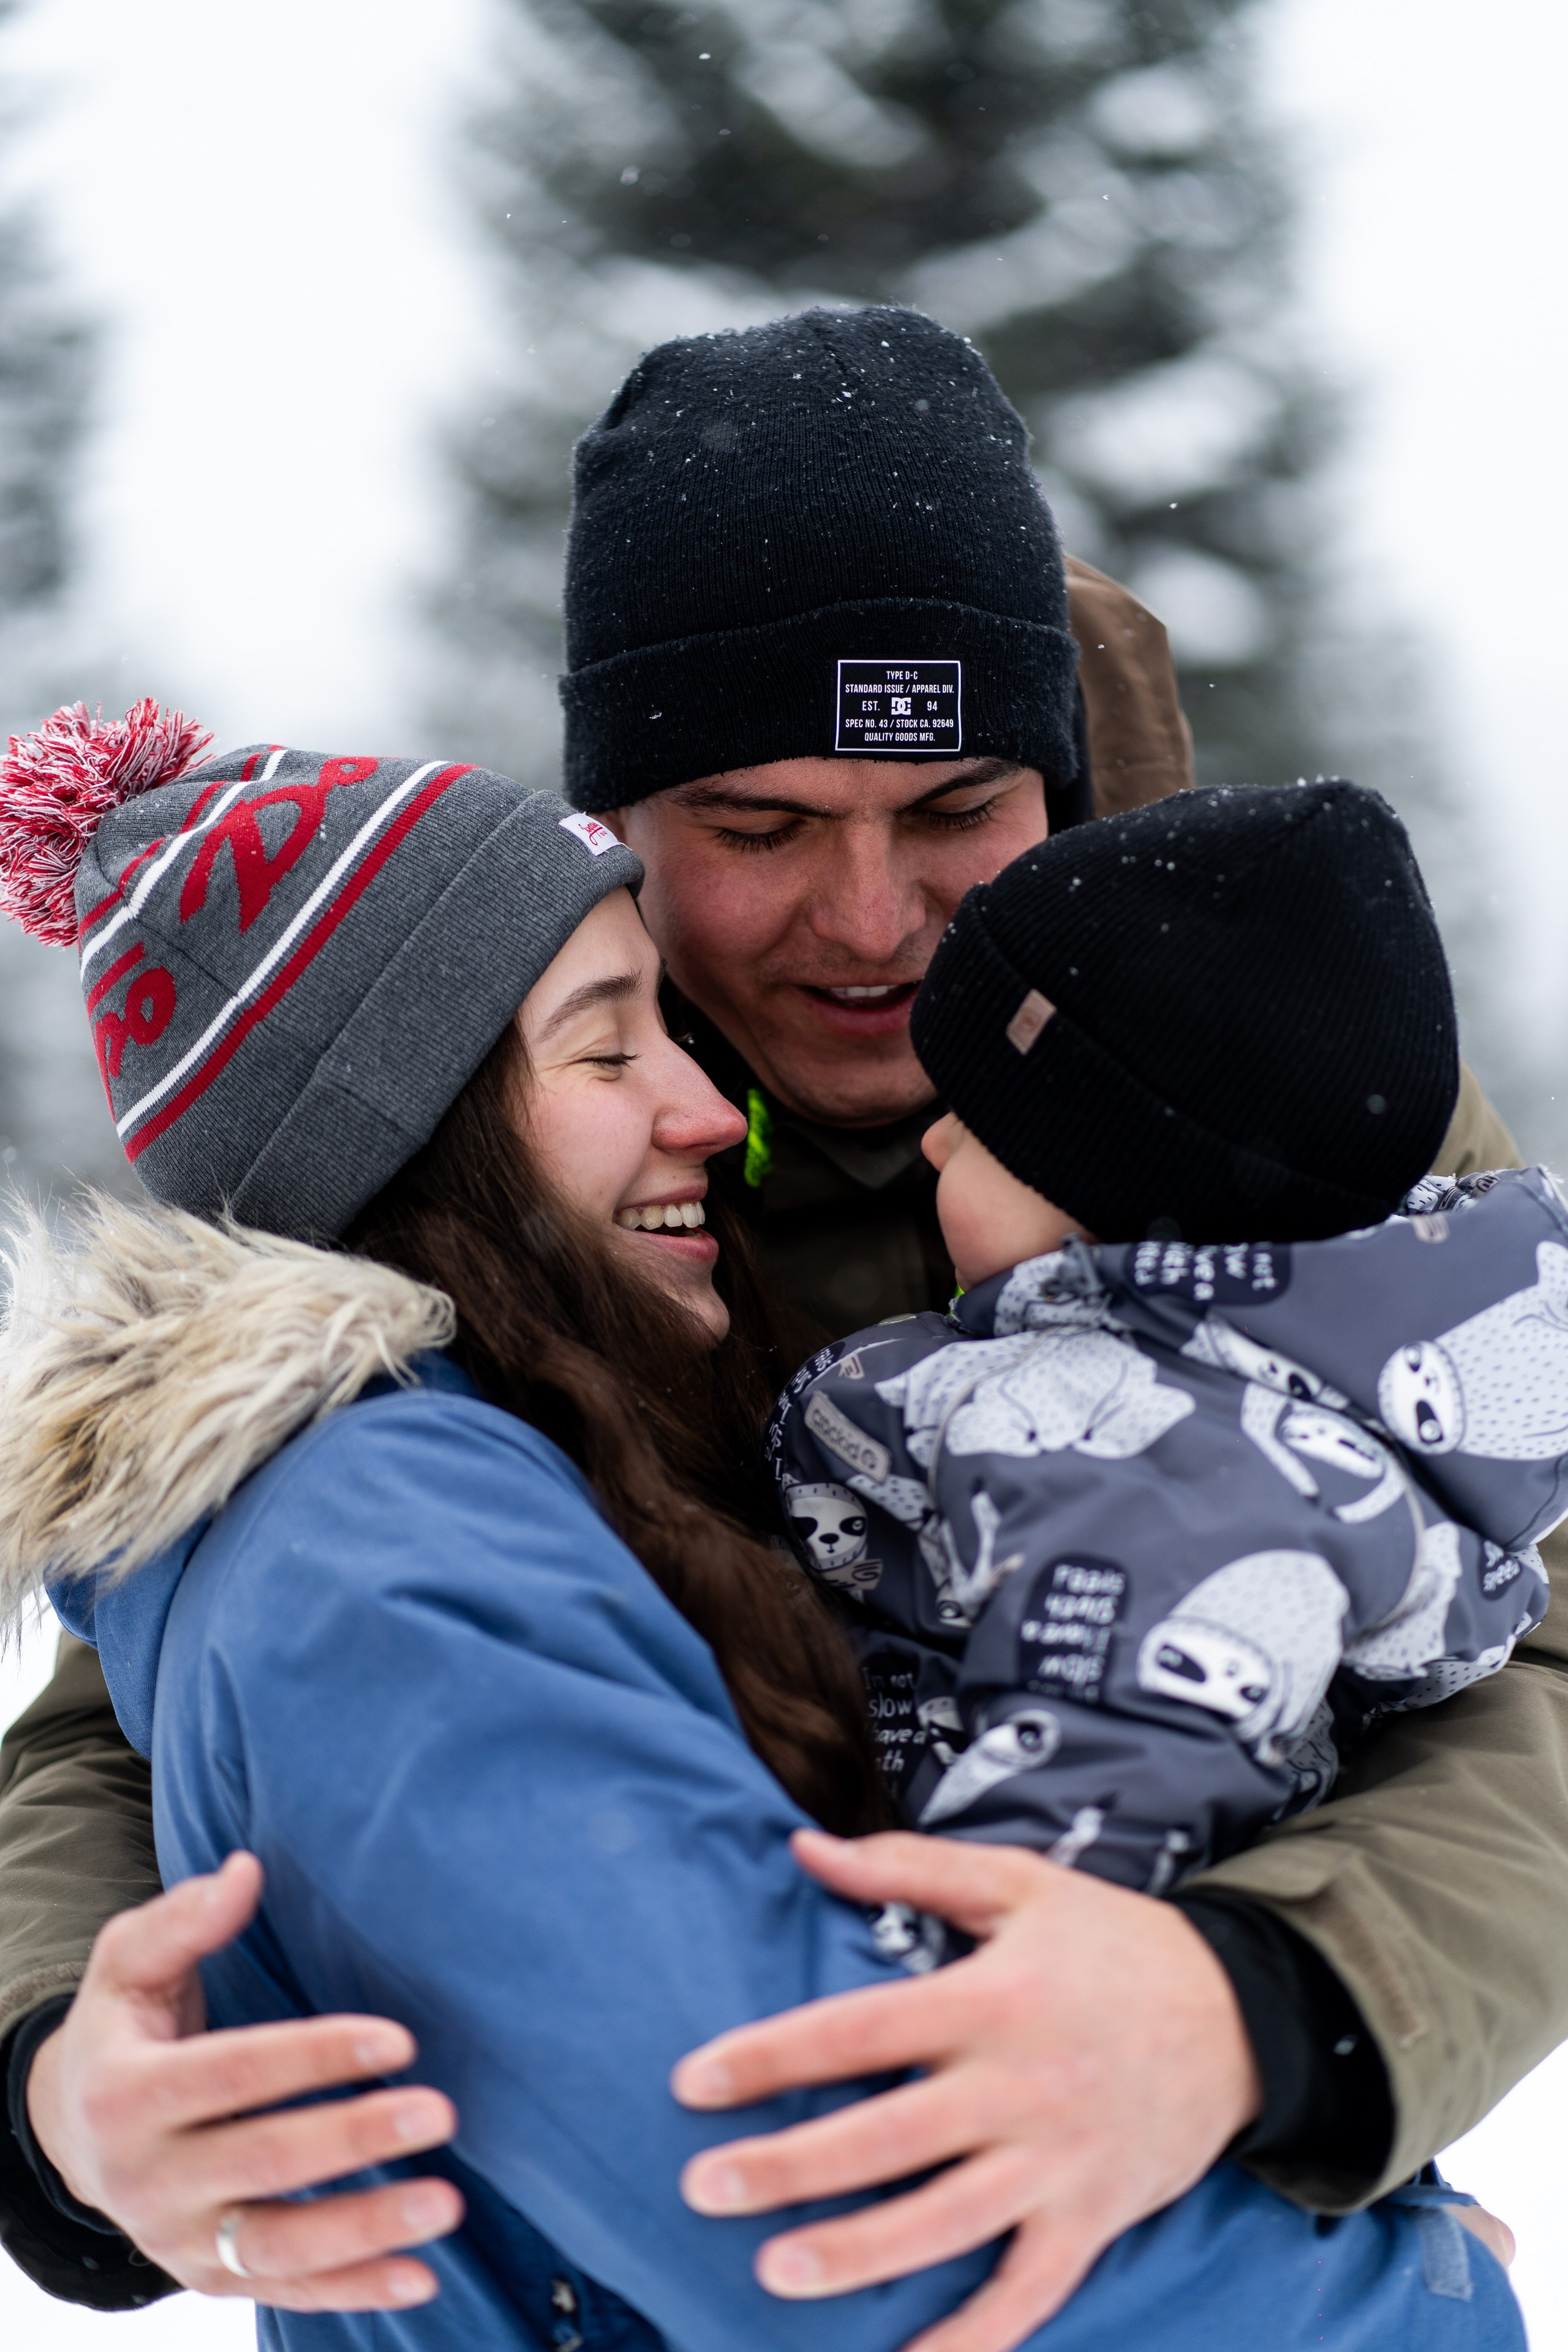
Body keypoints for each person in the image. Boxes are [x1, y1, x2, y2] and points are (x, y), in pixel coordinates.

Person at [0, 306, 1556, 2328]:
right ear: (620, 826)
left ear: (1058, 782)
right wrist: (57, 2082)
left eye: (956, 810)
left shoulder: (1270, 1064)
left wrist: (1277, 2003)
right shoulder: (499, 1138)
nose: (871, 920)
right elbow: (149, 1700)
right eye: (756, 832)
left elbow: (1546, 1627)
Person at [771, 784, 1563, 1878]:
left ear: (1114, 1200)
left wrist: (951, 1966)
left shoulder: (1159, 1466)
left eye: (984, 1129)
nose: (938, 1146)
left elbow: (1105, 1795)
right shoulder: (1248, 1381)